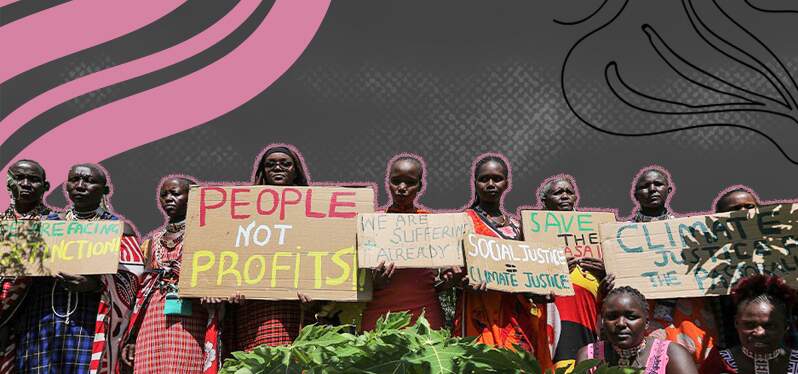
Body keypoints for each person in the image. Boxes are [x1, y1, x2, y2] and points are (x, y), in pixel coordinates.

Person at [12, 163, 144, 373]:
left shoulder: (117, 228)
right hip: (44, 322)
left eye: (89, 181)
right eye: (75, 180)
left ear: (105, 190)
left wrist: (94, 285)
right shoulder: (47, 225)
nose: (80, 186)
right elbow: (19, 279)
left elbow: (133, 280)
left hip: (90, 321)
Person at [449, 154, 553, 369]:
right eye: (483, 179)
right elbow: (449, 270)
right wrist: (460, 279)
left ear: (507, 183)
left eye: (496, 179)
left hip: (517, 315)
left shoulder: (520, 226)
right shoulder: (463, 222)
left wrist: (542, 288)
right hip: (480, 311)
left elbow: (529, 270)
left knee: (519, 366)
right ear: (474, 182)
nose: (490, 184)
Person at [120, 176, 222, 373]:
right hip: (151, 321)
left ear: (192, 198)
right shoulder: (151, 242)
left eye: (175, 193)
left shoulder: (205, 236)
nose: (168, 198)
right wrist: (132, 336)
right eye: (163, 195)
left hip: (189, 318)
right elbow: (139, 292)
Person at [223, 145, 317, 353]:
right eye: (270, 164)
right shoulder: (245, 209)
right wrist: (228, 287)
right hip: (254, 305)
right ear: (263, 170)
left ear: (296, 170)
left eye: (285, 163)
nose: (277, 168)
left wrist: (319, 292)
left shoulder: (315, 209)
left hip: (296, 306)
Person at [628, 166, 718, 365]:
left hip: (685, 311)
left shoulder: (690, 231)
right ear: (636, 195)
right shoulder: (622, 235)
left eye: (658, 184)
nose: (652, 189)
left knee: (693, 359)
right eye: (645, 186)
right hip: (643, 309)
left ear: (669, 190)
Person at [361, 155, 444, 330]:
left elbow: (442, 279)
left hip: (424, 314)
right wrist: (373, 282)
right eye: (396, 181)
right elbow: (356, 274)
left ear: (420, 186)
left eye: (410, 182)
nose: (402, 188)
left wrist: (451, 278)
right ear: (388, 182)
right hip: (380, 314)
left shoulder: (433, 223)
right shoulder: (371, 222)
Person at [538, 175, 606, 370]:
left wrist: (603, 272)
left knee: (586, 363)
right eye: (558, 192)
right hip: (553, 314)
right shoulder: (532, 232)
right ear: (544, 201)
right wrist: (554, 271)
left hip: (588, 313)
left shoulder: (593, 230)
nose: (565, 196)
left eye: (569, 192)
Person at [0, 160, 52, 373]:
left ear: (45, 186)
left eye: (33, 179)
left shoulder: (56, 224)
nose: (26, 183)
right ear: (8, 183)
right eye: (19, 178)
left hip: (38, 318)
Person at [576, 286, 698, 374]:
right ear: (602, 322)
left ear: (646, 323)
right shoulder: (588, 355)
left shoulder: (672, 354)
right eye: (612, 317)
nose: (621, 324)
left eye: (631, 317)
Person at [700, 275, 798, 374]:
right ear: (737, 323)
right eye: (750, 325)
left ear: (786, 326)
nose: (759, 332)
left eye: (770, 326)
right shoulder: (719, 363)